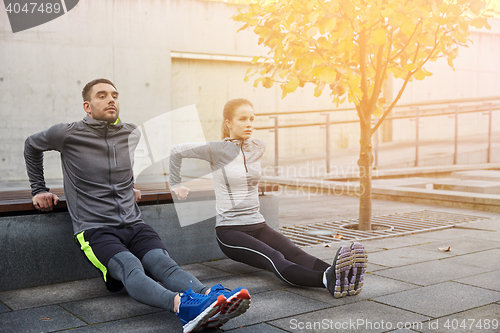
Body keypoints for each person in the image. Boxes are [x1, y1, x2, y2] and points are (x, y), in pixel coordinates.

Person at [24, 79, 250, 333]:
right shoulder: (66, 133)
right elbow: (31, 146)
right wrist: (39, 189)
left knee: (164, 264)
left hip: (133, 222)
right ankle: (183, 306)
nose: (111, 100)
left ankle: (210, 297)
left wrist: (128, 185)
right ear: (87, 106)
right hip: (95, 229)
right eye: (102, 96)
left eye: (115, 95)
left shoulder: (130, 132)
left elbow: (123, 165)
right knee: (131, 267)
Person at [169, 98, 368, 299]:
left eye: (252, 119)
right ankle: (327, 280)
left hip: (258, 224)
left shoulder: (257, 146)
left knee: (295, 252)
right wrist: (175, 183)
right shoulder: (216, 150)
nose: (249, 124)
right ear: (228, 123)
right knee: (274, 258)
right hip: (230, 230)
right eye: (243, 119)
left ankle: (343, 276)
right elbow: (176, 151)